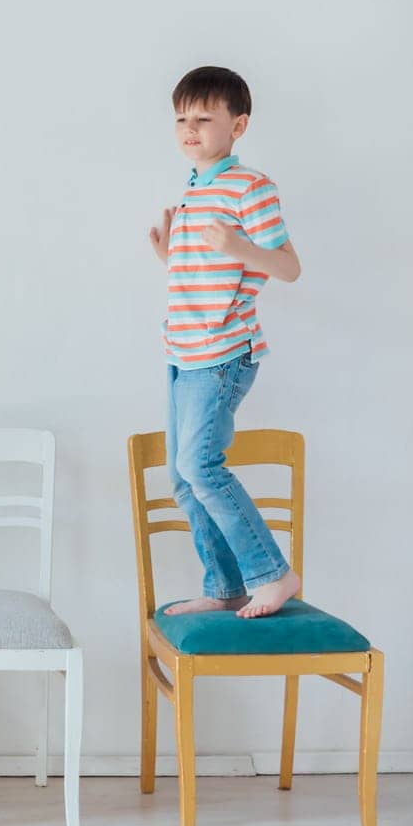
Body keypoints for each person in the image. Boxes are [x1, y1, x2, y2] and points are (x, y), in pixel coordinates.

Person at [148, 66, 303, 620]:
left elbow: (287, 267)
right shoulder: (195, 187)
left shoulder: (250, 186)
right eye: (182, 118)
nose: (189, 128)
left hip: (221, 355)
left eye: (203, 118)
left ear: (237, 126)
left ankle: (274, 574)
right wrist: (171, 255)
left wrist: (238, 244)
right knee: (183, 478)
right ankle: (225, 585)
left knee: (202, 466)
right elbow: (206, 273)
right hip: (182, 353)